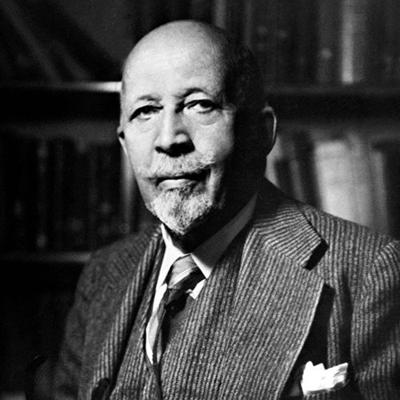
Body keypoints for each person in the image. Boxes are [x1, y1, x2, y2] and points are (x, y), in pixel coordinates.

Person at [54, 21, 400, 399]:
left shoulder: (369, 271)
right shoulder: (104, 273)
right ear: (124, 143)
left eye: (200, 105)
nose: (169, 139)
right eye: (146, 111)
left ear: (261, 132)